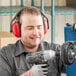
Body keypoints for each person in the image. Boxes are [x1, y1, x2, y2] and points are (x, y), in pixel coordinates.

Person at [0, 7, 65, 76]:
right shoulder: (6, 54)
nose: (36, 33)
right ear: (18, 30)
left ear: (45, 28)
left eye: (39, 27)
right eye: (30, 28)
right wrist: (28, 75)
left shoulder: (56, 49)